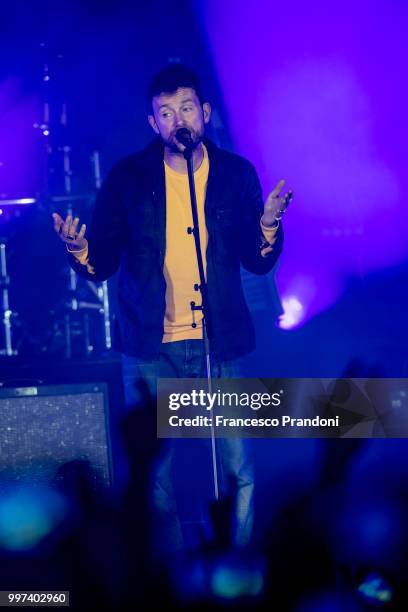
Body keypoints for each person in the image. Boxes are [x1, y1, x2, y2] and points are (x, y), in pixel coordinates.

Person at [52, 63, 292, 555]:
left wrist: (267, 226)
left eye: (185, 108)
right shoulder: (128, 180)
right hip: (150, 348)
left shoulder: (235, 175)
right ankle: (168, 580)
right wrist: (79, 249)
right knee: (155, 476)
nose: (177, 119)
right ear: (153, 124)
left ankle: (235, 572)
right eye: (165, 113)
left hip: (219, 342)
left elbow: (256, 260)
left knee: (237, 469)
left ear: (203, 112)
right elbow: (103, 259)